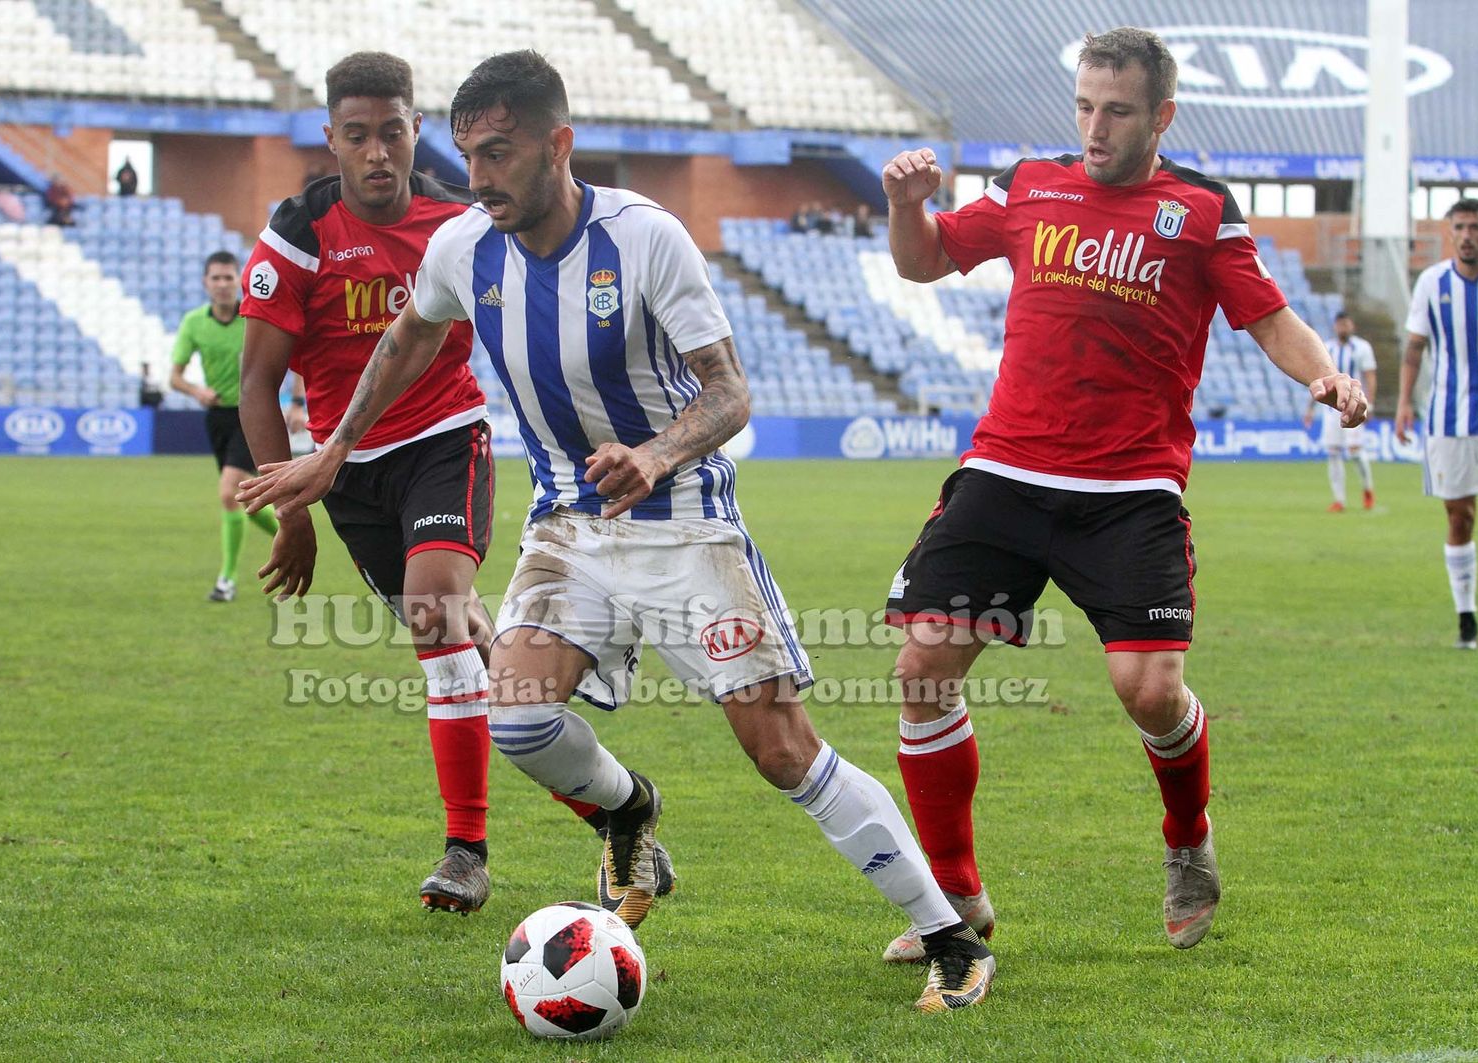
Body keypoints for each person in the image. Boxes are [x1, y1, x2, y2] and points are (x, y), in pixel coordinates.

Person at [239, 49, 995, 1013]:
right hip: (568, 524)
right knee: (515, 713)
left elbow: (729, 392)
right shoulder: (465, 245)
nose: (479, 177)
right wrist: (336, 449)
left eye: (500, 153)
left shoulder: (644, 237)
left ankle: (951, 936)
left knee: (781, 749)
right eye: (468, 156)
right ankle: (629, 810)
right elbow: (408, 336)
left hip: (683, 524)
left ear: (558, 144)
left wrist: (656, 454)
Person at [875, 26, 1366, 966]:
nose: (1096, 129)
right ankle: (956, 898)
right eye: (1085, 108)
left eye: (1118, 111)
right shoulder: (1029, 185)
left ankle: (1188, 841)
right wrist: (906, 206)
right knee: (923, 665)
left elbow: (1269, 318)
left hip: (1130, 487)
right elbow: (923, 260)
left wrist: (1324, 375)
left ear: (1161, 116)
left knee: (1150, 689)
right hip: (1008, 472)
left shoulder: (1201, 210)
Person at [232, 52, 666, 920]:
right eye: (358, 135)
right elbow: (256, 381)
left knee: (434, 615)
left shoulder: (462, 221)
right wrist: (294, 515)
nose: (378, 152)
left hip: (444, 440)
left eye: (393, 132)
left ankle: (466, 851)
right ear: (331, 138)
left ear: (416, 129)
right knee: (472, 660)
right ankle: (620, 808)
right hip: (345, 474)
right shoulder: (298, 233)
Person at [167, 251, 290, 602]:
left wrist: (295, 402)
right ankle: (288, 534)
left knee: (228, 491)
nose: (222, 284)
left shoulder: (253, 317)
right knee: (241, 497)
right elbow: (174, 377)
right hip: (217, 416)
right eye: (216, 278)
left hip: (251, 412)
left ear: (240, 280)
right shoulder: (194, 322)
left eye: (228, 277)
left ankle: (226, 580)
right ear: (205, 283)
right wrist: (197, 391)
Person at [1396, 198, 1478, 650]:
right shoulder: (1432, 282)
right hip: (1450, 417)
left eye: (1475, 227)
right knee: (1459, 515)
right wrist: (1404, 403)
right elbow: (1414, 348)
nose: (1468, 235)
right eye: (1461, 227)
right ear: (1450, 232)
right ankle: (1466, 617)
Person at [1304, 311, 1377, 511]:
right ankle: (1339, 500)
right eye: (1339, 324)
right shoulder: (1327, 348)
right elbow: (1318, 380)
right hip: (1331, 409)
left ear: (1352, 326)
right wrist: (1310, 408)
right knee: (1333, 453)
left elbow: (1370, 377)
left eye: (1345, 324)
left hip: (1354, 405)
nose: (1342, 328)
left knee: (1355, 452)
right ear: (1335, 326)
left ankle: (1367, 489)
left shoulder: (1362, 348)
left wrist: (1370, 404)